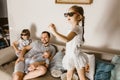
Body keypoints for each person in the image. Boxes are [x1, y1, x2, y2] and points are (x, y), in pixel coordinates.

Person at [49, 5, 88, 80]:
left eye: (71, 14)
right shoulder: (72, 28)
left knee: (82, 77)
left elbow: (67, 39)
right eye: (66, 14)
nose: (68, 16)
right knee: (68, 76)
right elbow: (70, 43)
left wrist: (54, 32)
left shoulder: (77, 28)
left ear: (79, 17)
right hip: (70, 56)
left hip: (76, 57)